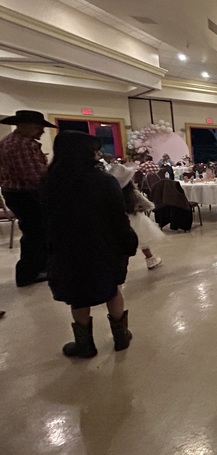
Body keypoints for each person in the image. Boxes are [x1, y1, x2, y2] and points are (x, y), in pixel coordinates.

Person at [42, 131, 138, 358]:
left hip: (67, 247)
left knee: (78, 294)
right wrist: (128, 241)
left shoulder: (49, 181)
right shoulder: (104, 181)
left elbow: (46, 218)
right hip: (104, 244)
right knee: (112, 287)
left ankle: (84, 345)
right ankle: (121, 337)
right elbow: (118, 217)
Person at [0, 110, 54, 287]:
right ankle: (30, 273)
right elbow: (35, 177)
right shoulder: (24, 144)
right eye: (39, 127)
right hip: (27, 194)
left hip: (13, 192)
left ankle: (38, 268)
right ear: (24, 126)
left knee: (33, 232)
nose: (42, 132)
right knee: (36, 233)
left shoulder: (6, 141)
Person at [109, 164, 163, 270]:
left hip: (120, 221)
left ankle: (119, 267)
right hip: (136, 219)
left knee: (123, 244)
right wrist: (140, 207)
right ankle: (150, 259)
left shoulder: (113, 194)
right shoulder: (133, 193)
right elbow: (149, 205)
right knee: (143, 242)